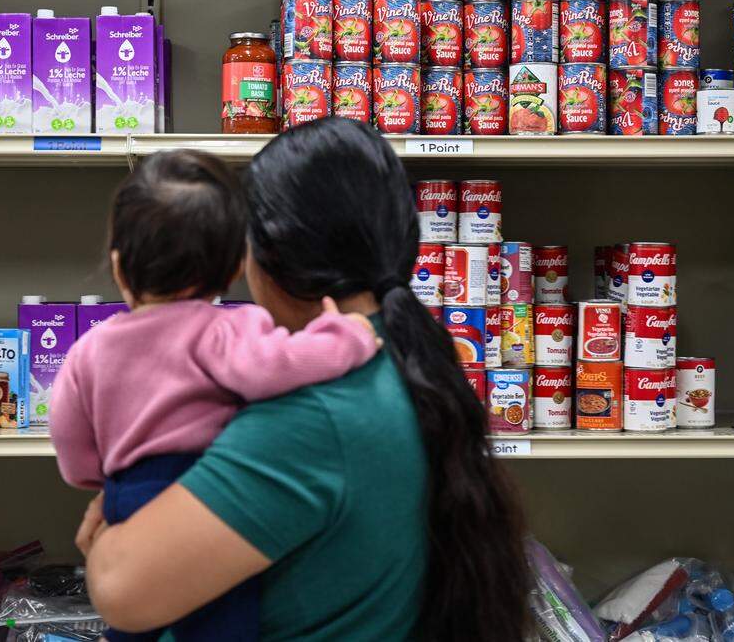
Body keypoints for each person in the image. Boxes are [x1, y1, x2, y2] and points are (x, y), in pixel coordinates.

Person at [74, 117, 531, 641]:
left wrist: (108, 533)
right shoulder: (406, 356)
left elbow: (122, 591)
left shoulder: (314, 414)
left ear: (268, 259)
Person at [49, 148, 382, 642]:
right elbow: (280, 368)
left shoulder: (89, 349)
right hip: (207, 493)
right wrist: (346, 333)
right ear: (231, 270)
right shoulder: (226, 330)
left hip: (127, 495)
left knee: (129, 621)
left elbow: (70, 443)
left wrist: (105, 478)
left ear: (119, 268)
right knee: (221, 621)